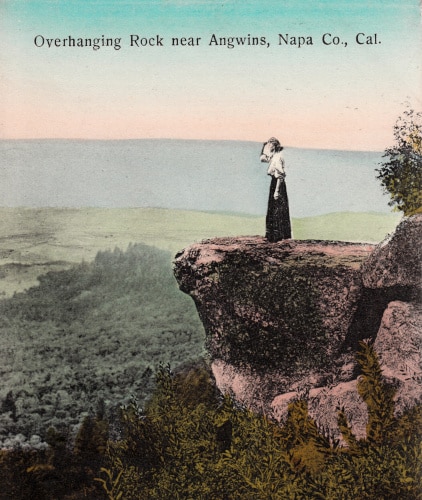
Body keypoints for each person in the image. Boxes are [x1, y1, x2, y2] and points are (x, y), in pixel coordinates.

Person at [260, 137, 292, 241]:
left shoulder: (277, 157)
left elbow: (280, 175)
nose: (267, 147)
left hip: (277, 183)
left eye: (269, 145)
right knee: (274, 208)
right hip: (275, 183)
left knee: (277, 209)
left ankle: (277, 236)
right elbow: (263, 159)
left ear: (273, 146)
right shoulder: (274, 156)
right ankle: (275, 236)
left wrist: (277, 191)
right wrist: (265, 150)